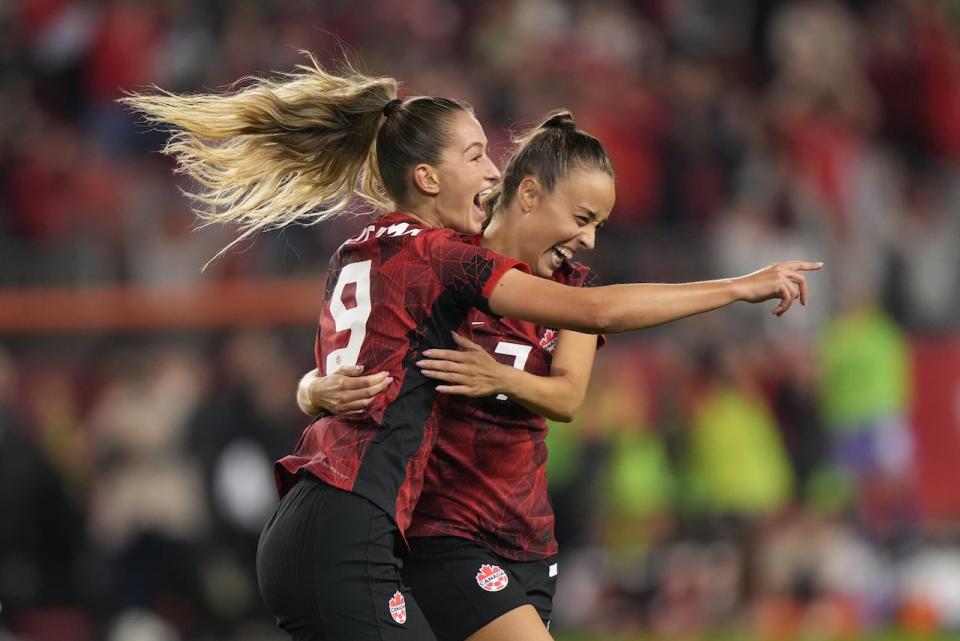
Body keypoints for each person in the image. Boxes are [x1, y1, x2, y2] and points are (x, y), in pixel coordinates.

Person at [123, 53, 820, 641]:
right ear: (429, 178)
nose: (494, 170)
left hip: (360, 518)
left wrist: (311, 389)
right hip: (384, 526)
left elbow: (344, 373)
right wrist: (739, 286)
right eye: (477, 154)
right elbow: (596, 309)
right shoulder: (452, 261)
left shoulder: (358, 250)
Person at [298, 110, 613, 641]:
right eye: (582, 219)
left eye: (598, 225)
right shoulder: (450, 265)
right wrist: (310, 387)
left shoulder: (571, 290)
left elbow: (567, 399)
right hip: (441, 526)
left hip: (526, 531)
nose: (589, 240)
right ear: (531, 195)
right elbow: (363, 351)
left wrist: (500, 377)